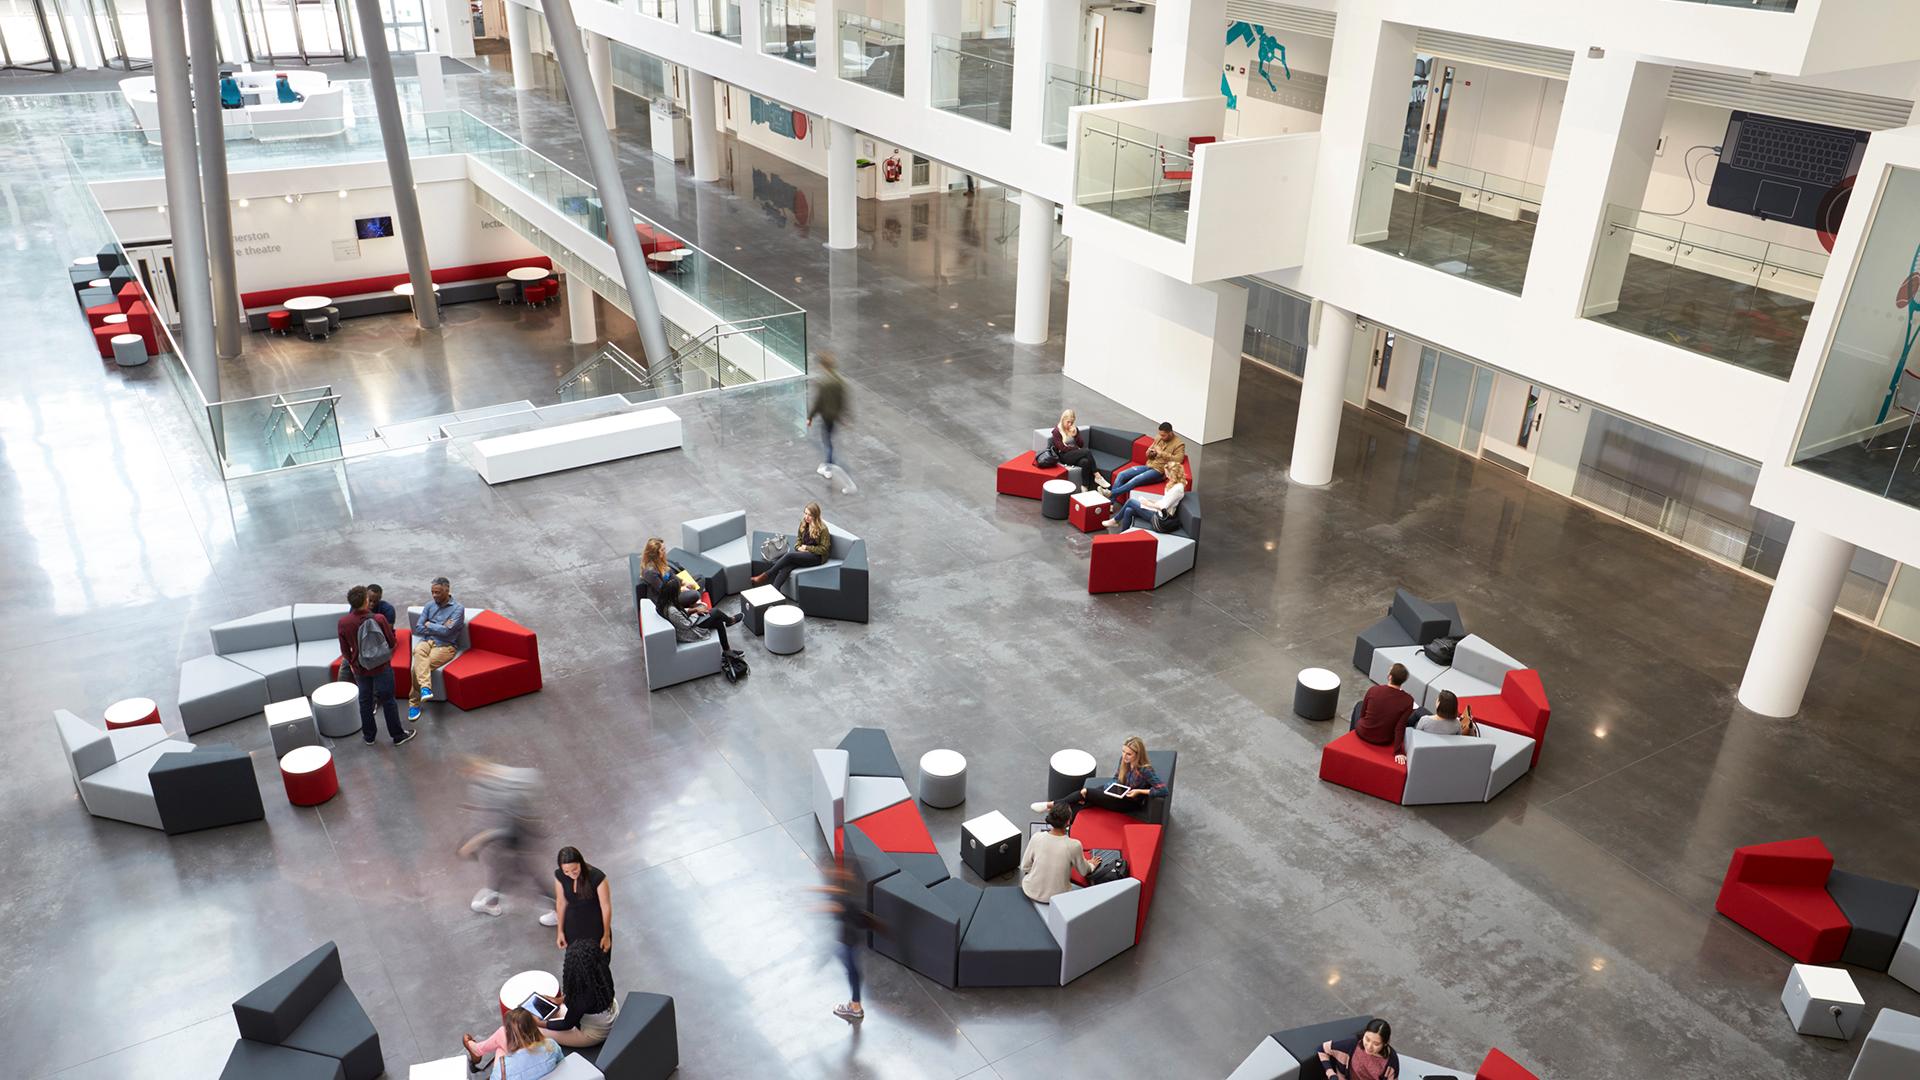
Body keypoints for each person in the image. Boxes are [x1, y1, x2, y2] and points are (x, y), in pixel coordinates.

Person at [464, 940, 620, 1061]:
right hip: (606, 1017)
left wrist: (538, 1023)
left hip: (592, 1034)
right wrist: (558, 1000)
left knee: (530, 1028)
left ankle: (481, 1050)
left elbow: (567, 1023)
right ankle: (481, 1050)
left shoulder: (582, 999)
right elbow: (579, 1000)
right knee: (549, 1012)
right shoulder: (600, 975)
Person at [458, 759, 545, 918]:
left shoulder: (498, 794)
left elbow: (499, 827)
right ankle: (492, 902)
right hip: (514, 836)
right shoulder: (503, 779)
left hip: (509, 838)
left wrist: (473, 842)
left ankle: (558, 907)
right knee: (498, 869)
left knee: (524, 874)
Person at [336, 585, 414, 746]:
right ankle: (397, 735)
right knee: (388, 700)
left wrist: (353, 663)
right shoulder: (379, 618)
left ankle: (369, 736)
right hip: (381, 667)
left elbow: (344, 650)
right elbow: (391, 642)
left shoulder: (343, 623)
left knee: (365, 701)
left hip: (360, 668)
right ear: (366, 600)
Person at [1029, 737, 1166, 818]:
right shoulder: (1124, 762)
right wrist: (1109, 787)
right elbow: (1116, 777)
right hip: (1118, 792)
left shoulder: (1145, 770)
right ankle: (1064, 817)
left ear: (1137, 754)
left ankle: (1051, 805)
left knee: (1085, 792)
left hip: (1129, 802)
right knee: (1085, 801)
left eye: (1129, 754)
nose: (1124, 756)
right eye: (1123, 752)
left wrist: (1139, 792)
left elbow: (1163, 790)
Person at [814, 864, 877, 1022]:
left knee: (852, 970)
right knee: (850, 966)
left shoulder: (849, 898)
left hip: (850, 940)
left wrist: (838, 909)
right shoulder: (849, 890)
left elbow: (851, 914)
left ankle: (855, 1007)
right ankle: (855, 1004)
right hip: (849, 938)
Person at [410, 577, 466, 722]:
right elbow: (419, 627)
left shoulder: (458, 609)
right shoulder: (429, 605)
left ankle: (414, 703)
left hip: (445, 646)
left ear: (447, 590)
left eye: (438, 592)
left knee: (418, 668)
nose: (434, 595)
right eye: (432, 592)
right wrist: (439, 626)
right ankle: (425, 688)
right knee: (418, 651)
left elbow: (448, 632)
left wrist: (430, 624)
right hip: (427, 641)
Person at [1021, 802, 1101, 903]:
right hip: (1058, 897)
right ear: (1068, 822)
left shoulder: (1036, 837)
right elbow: (1084, 871)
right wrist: (1092, 865)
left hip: (1030, 890)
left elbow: (1025, 867)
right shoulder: (1074, 845)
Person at [542, 846, 612, 954]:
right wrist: (560, 931)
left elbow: (605, 907)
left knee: (598, 962)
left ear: (581, 863)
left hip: (595, 926)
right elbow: (561, 902)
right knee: (576, 962)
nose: (571, 874)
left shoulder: (597, 877)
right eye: (566, 871)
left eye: (574, 869)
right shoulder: (560, 875)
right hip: (572, 927)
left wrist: (606, 935)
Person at [1098, 422, 1186, 508]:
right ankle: (1111, 504)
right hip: (1148, 466)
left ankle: (1110, 494)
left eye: (1163, 435)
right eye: (1160, 434)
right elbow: (1148, 453)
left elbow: (1179, 459)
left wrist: (1161, 453)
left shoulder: (1179, 444)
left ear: (1170, 433)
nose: (1161, 437)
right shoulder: (1159, 438)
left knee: (1135, 479)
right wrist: (1150, 452)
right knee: (1122, 474)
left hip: (1159, 471)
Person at [461, 1007, 562, 1080]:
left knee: (500, 1042)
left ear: (509, 1035)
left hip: (507, 1072)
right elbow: (561, 1064)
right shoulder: (551, 1046)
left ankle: (476, 1049)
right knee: (501, 1042)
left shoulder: (502, 1070)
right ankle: (476, 1049)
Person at [750, 502, 830, 590]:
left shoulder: (822, 529)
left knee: (789, 556)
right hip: (803, 553)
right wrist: (798, 547)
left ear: (815, 516)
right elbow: (798, 540)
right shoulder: (804, 523)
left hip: (817, 557)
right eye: (805, 513)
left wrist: (807, 548)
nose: (806, 517)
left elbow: (824, 549)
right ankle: (774, 591)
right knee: (786, 568)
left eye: (810, 515)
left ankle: (766, 575)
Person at [807, 353, 856, 495]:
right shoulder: (839, 381)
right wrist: (846, 416)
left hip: (827, 416)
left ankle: (828, 466)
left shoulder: (824, 383)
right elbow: (844, 400)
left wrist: (810, 416)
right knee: (828, 439)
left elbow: (818, 402)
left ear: (823, 366)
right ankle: (828, 464)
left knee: (827, 441)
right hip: (835, 416)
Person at [1352, 663, 1418, 764]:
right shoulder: (1408, 700)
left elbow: (1362, 714)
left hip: (1363, 732)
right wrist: (1398, 751)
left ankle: (1351, 735)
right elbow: (1400, 727)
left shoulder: (1374, 690)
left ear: (1390, 676)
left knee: (1359, 705)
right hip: (1384, 739)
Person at [661, 586, 744, 660]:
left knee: (718, 621)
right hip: (690, 632)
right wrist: (695, 614)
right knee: (715, 612)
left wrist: (694, 610)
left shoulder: (668, 603)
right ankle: (730, 621)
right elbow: (686, 625)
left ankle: (727, 650)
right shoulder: (671, 610)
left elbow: (681, 613)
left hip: (688, 624)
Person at [637, 537, 718, 609]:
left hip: (675, 587)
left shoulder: (661, 561)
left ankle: (695, 602)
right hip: (668, 599)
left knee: (700, 578)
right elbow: (663, 591)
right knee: (695, 594)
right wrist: (681, 589)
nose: (665, 551)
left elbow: (672, 575)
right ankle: (694, 601)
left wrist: (683, 582)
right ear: (655, 553)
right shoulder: (650, 572)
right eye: (662, 550)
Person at [1317, 1018, 1400, 1080]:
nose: (1369, 1046)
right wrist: (1331, 1074)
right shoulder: (1351, 1046)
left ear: (1385, 1044)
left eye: (1376, 1044)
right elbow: (1322, 1049)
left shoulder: (1391, 1062)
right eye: (1367, 1039)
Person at [1108, 478, 1186, 533]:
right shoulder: (1175, 484)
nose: (1167, 476)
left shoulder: (1177, 489)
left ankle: (1115, 520)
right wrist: (1151, 501)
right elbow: (1165, 501)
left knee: (1131, 501)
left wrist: (1147, 504)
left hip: (1160, 519)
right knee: (1129, 510)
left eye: (1168, 473)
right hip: (1158, 513)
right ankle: (1122, 537)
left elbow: (1163, 507)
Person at [1050, 409, 1097, 490]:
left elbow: (1081, 445)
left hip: (1074, 454)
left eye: (1072, 422)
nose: (1070, 424)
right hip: (1064, 456)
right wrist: (1076, 449)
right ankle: (1097, 475)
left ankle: (1084, 486)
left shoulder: (1074, 429)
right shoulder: (1056, 431)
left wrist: (1075, 435)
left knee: (1085, 462)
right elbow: (1062, 448)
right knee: (1087, 451)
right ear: (1063, 419)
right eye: (1068, 422)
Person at [1415, 690, 1479, 738]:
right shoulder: (1457, 724)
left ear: (1438, 704)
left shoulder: (1425, 720)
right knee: (1421, 710)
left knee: (1419, 710)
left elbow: (1416, 735)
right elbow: (1458, 737)